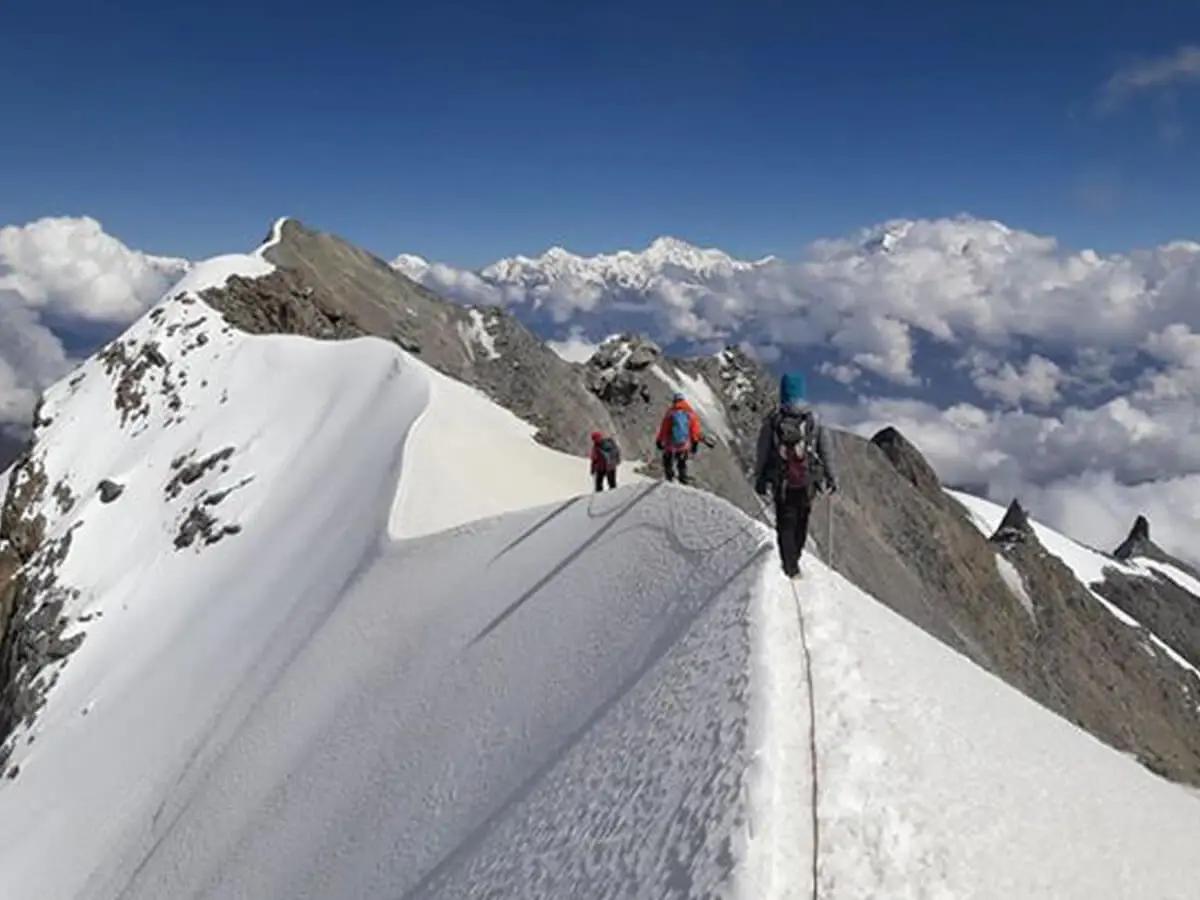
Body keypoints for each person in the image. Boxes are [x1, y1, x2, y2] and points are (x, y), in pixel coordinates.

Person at [754, 373, 837, 578]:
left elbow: (762, 451)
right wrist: (832, 477)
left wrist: (760, 478)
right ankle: (795, 559)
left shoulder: (773, 420)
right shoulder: (813, 420)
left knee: (785, 522)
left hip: (782, 482)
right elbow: (826, 451)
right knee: (802, 520)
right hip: (806, 483)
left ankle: (789, 565)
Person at [656, 392, 702, 485]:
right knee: (682, 461)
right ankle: (683, 478)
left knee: (667, 459)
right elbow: (695, 429)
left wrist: (659, 441)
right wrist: (695, 442)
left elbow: (664, 429)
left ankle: (669, 477)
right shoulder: (690, 413)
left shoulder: (670, 413)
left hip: (671, 443)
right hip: (684, 443)